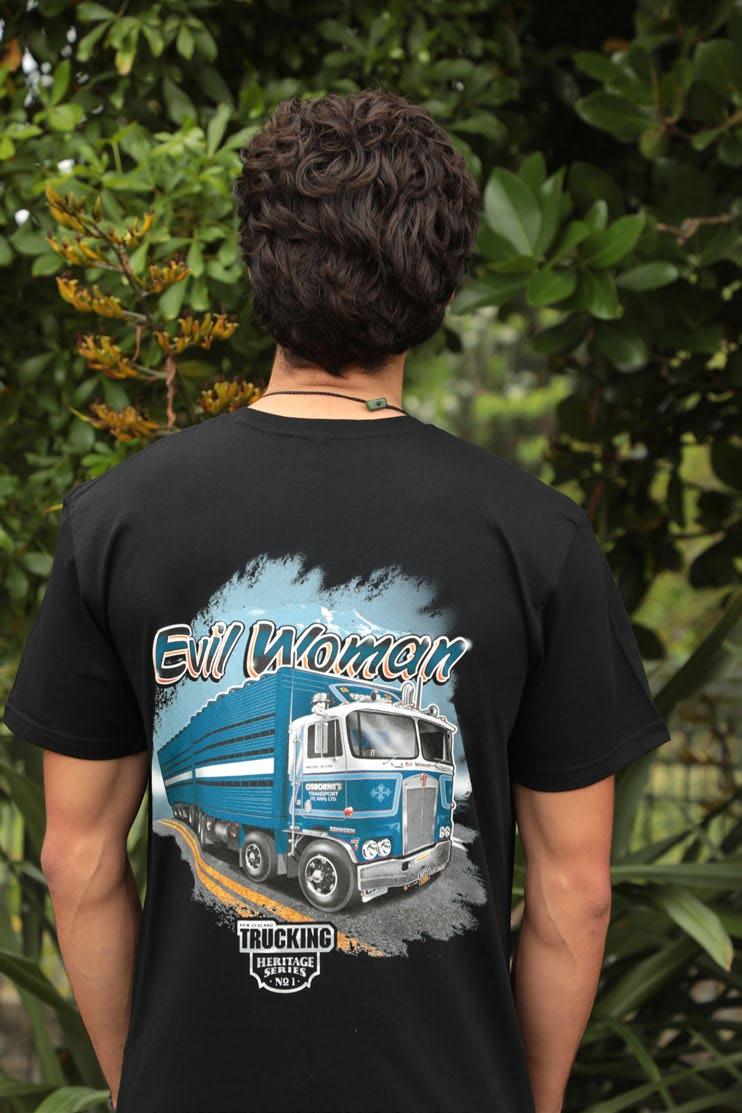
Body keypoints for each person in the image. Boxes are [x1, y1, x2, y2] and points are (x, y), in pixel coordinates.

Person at [3, 89, 670, 1113]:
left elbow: (79, 859)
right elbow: (575, 894)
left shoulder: (118, 522)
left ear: (256, 264)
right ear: (441, 283)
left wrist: (146, 1086)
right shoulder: (538, 539)